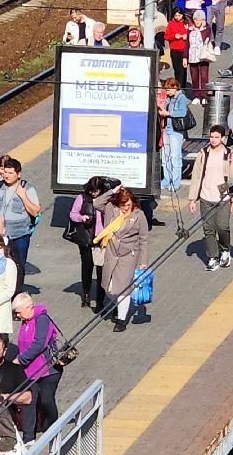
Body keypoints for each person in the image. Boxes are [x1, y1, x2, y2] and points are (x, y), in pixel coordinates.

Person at [93, 185, 151, 332]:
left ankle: (121, 320)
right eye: (123, 205)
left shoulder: (139, 215)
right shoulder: (111, 209)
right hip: (111, 254)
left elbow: (144, 239)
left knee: (123, 289)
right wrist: (112, 191)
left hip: (128, 256)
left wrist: (143, 261)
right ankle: (117, 305)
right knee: (109, 288)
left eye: (129, 205)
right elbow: (96, 203)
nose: (126, 208)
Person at [187, 124, 233, 270]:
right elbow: (196, 176)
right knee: (208, 228)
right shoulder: (203, 153)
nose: (213, 140)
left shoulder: (230, 155)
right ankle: (212, 256)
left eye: (217, 137)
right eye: (211, 137)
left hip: (223, 198)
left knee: (222, 226)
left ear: (223, 138)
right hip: (206, 196)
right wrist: (192, 199)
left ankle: (225, 249)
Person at [11, 293, 63, 440]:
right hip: (31, 370)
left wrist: (21, 359)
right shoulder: (26, 321)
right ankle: (29, 437)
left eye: (19, 312)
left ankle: (52, 425)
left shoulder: (42, 319)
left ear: (28, 308)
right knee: (30, 402)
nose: (17, 315)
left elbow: (39, 344)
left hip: (48, 369)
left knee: (46, 399)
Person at [0, 155, 40, 268]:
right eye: (5, 172)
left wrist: (23, 196)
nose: (6, 176)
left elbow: (35, 212)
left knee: (18, 266)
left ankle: (17, 285)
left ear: (18, 174)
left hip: (19, 235)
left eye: (10, 173)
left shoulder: (27, 188)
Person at [68, 176, 115, 310]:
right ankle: (86, 294)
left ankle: (100, 300)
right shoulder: (82, 197)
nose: (94, 194)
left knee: (101, 271)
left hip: (102, 240)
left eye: (97, 191)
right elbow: (72, 213)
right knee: (87, 267)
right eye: (92, 191)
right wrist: (81, 217)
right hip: (86, 239)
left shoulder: (106, 200)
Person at [158, 78, 189, 191]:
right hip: (166, 129)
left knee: (175, 157)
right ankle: (166, 180)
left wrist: (168, 113)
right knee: (166, 157)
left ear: (175, 87)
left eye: (169, 89)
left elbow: (182, 112)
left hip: (176, 131)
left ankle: (176, 182)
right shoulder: (168, 98)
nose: (167, 92)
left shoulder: (181, 97)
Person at [186, 9, 213, 100]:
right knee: (194, 77)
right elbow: (187, 44)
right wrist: (185, 57)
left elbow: (207, 36)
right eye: (196, 19)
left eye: (200, 19)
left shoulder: (206, 29)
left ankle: (204, 96)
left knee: (204, 77)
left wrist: (205, 25)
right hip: (193, 56)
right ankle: (196, 96)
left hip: (203, 56)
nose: (197, 21)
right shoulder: (190, 30)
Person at [164, 6, 190, 87]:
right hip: (174, 50)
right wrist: (174, 36)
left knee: (183, 69)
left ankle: (182, 86)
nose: (177, 17)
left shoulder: (187, 23)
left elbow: (193, 32)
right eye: (176, 16)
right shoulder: (171, 24)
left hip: (184, 50)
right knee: (177, 69)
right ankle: (178, 85)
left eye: (179, 15)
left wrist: (187, 36)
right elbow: (166, 36)